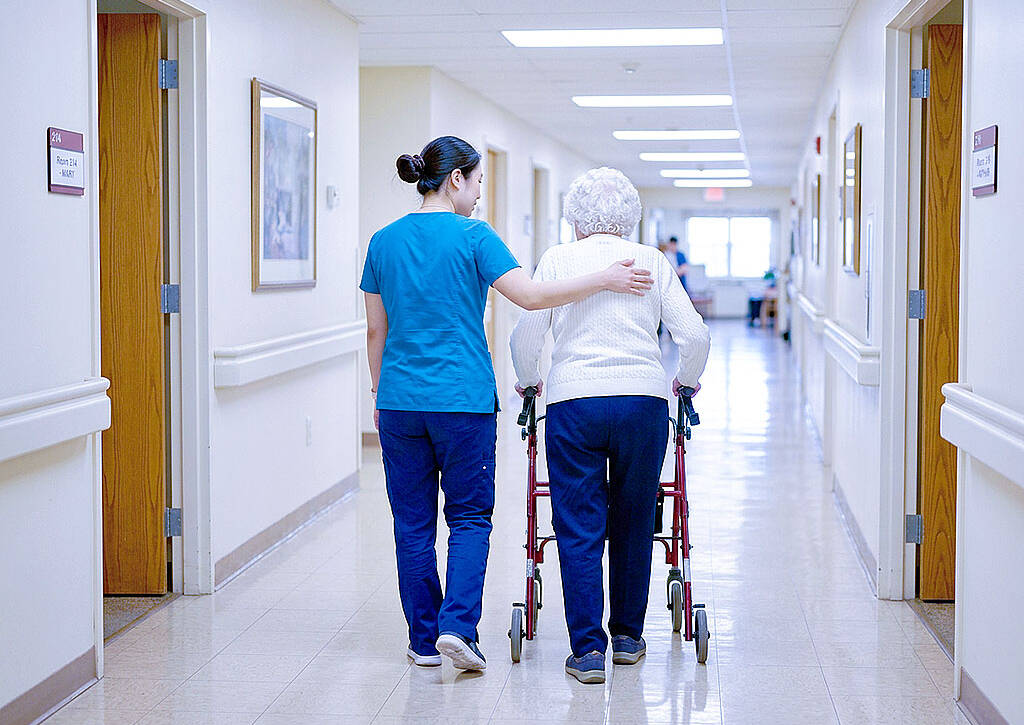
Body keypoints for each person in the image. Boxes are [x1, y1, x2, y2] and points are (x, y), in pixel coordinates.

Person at [360, 137, 653, 673]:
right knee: (470, 517)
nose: (477, 196)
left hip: (399, 402)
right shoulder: (474, 237)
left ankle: (424, 640)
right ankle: (457, 627)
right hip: (463, 400)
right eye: (475, 184)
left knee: (412, 523)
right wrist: (607, 277)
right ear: (455, 180)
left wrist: (380, 394)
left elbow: (376, 330)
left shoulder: (382, 241)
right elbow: (533, 297)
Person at [510, 167, 711, 684]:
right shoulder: (651, 260)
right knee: (634, 517)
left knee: (578, 523)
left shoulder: (558, 258)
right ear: (630, 217)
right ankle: (626, 637)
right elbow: (694, 337)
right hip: (642, 403)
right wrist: (684, 384)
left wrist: (530, 383)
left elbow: (525, 338)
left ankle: (587, 650)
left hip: (574, 403)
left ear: (575, 219)